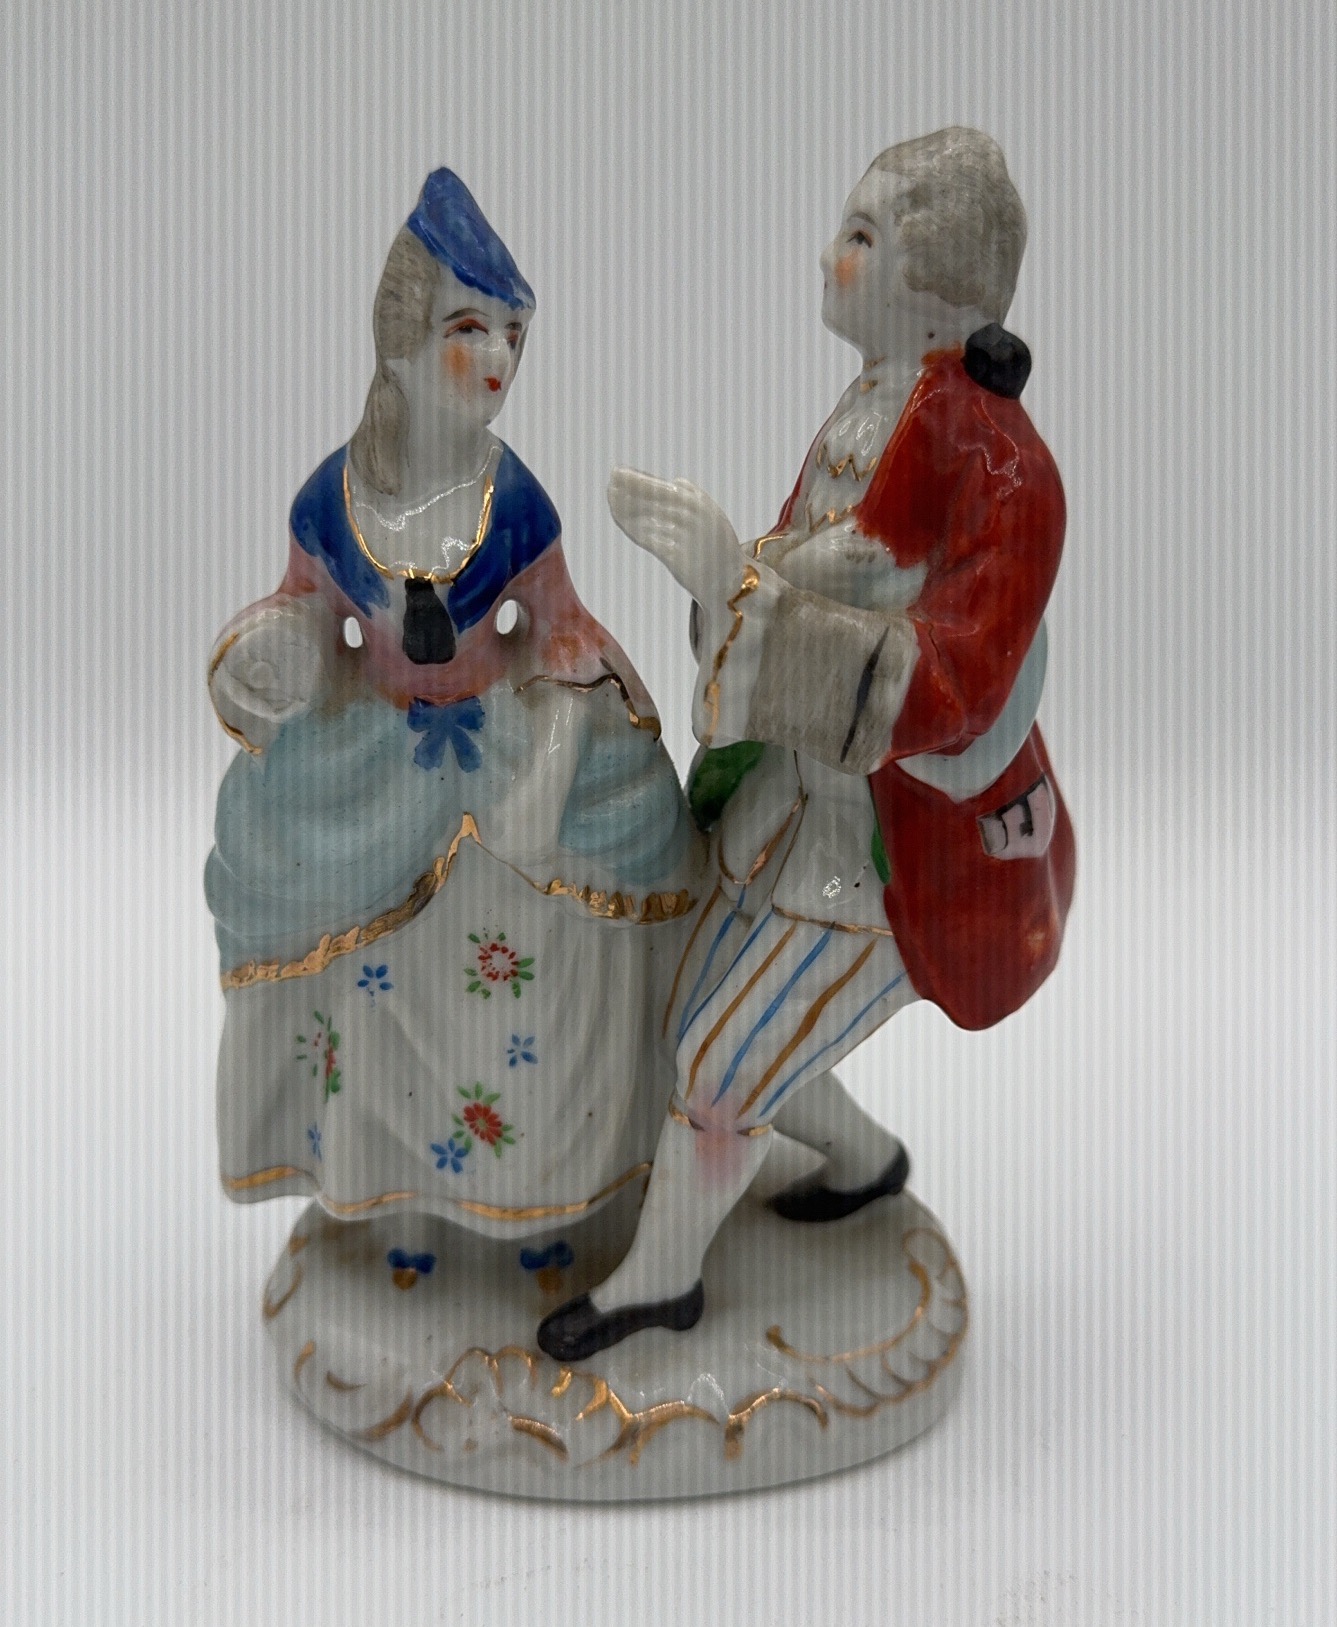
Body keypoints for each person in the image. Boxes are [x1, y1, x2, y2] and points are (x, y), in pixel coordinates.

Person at [538, 128, 1076, 1360]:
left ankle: (659, 1283)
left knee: (718, 1064)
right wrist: (726, 580)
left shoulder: (1006, 471)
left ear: (936, 283)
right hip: (792, 805)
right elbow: (802, 571)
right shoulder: (874, 406)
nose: (829, 257)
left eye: (860, 236)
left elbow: (955, 687)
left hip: (894, 848)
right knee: (699, 1000)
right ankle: (862, 1157)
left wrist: (737, 586)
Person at [206, 170, 705, 1237]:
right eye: (467, 329)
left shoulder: (510, 497)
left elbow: (561, 631)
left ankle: (541, 1190)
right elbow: (304, 616)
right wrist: (270, 654)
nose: (497, 361)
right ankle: (384, 1190)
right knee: (306, 891)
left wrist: (558, 752)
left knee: (569, 897)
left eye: (513, 336)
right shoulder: (333, 495)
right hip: (374, 753)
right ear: (398, 339)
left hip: (498, 731)